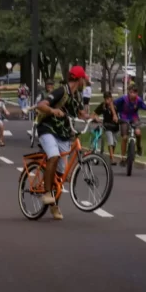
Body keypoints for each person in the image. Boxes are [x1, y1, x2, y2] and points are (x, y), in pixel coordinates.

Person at [35, 66, 90, 220]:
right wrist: (53, 111)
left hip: (64, 135)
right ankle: (47, 193)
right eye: (83, 79)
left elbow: (80, 113)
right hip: (48, 129)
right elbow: (41, 105)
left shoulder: (77, 96)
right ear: (78, 79)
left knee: (61, 175)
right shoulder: (61, 91)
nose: (84, 81)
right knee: (53, 156)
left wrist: (91, 117)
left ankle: (54, 204)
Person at [113, 86, 146, 158]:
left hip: (134, 118)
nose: (131, 94)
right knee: (125, 137)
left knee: (138, 132)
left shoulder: (138, 100)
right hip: (124, 118)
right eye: (130, 92)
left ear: (137, 93)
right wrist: (114, 115)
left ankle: (139, 148)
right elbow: (112, 104)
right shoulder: (123, 99)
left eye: (133, 93)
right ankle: (123, 157)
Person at [91, 92, 119, 162]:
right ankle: (112, 159)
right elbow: (94, 113)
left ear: (111, 98)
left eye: (108, 99)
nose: (107, 101)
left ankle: (111, 155)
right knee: (110, 141)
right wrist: (96, 118)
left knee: (114, 142)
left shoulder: (116, 104)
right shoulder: (103, 106)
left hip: (115, 126)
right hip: (107, 126)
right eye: (105, 99)